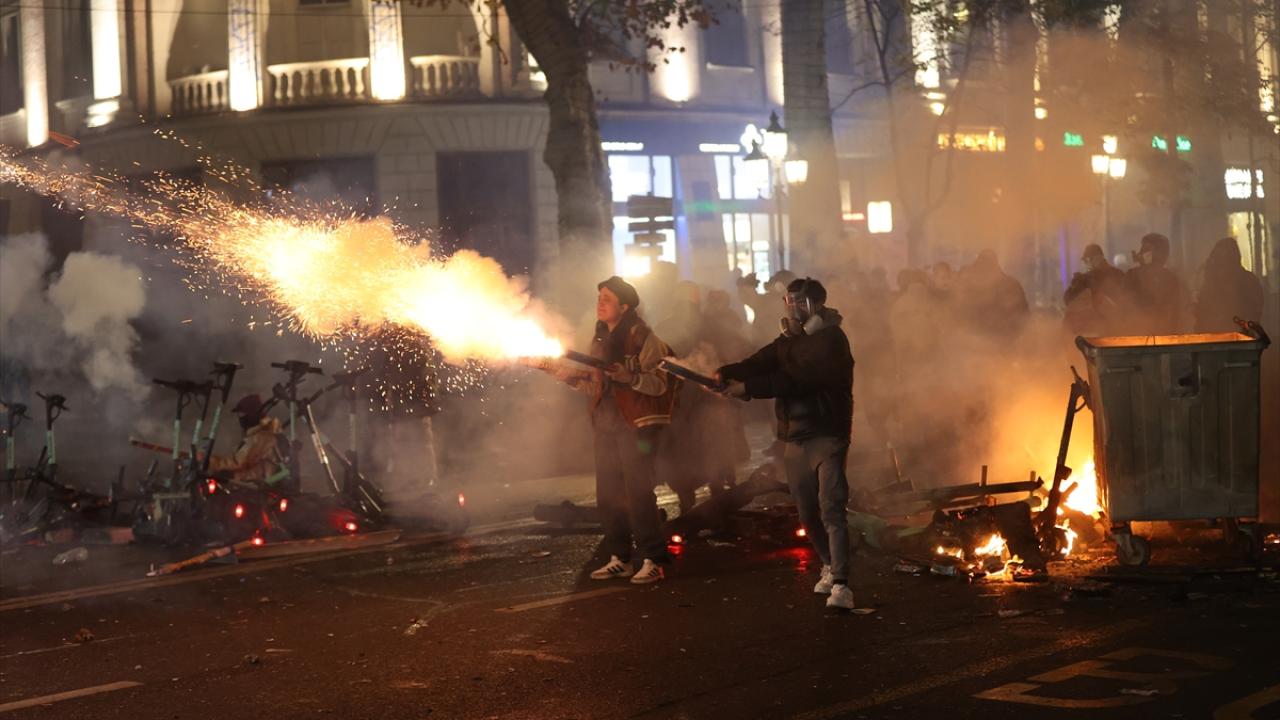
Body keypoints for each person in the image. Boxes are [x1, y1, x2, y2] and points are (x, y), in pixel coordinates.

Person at [716, 278, 856, 610]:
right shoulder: (787, 341)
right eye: (789, 301)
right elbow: (760, 361)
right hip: (795, 436)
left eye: (800, 302)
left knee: (831, 509)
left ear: (817, 305)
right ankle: (827, 564)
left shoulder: (832, 339)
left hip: (828, 434)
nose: (793, 308)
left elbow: (797, 380)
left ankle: (842, 584)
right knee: (807, 512)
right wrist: (726, 372)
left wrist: (746, 388)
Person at [552, 276, 677, 584]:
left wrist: (629, 378)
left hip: (635, 425)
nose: (600, 303)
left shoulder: (642, 336)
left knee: (637, 493)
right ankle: (619, 558)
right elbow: (595, 385)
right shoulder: (598, 339)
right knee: (608, 495)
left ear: (625, 306)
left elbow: (661, 382)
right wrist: (560, 373)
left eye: (607, 298)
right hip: (605, 425)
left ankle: (653, 559)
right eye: (598, 297)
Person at [208, 394, 285, 487]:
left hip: (258, 486)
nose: (240, 418)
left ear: (252, 414)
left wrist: (209, 461)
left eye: (242, 414)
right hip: (256, 481)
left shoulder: (260, 437)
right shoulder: (263, 433)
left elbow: (238, 462)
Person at [1193, 238, 1263, 333]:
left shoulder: (1249, 281)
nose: (1222, 263)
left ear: (1235, 258)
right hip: (1211, 339)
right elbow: (1202, 315)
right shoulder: (1211, 282)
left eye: (1227, 258)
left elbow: (1253, 314)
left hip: (1242, 341)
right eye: (1219, 259)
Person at [1124, 233, 1188, 334]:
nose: (1142, 252)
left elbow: (1178, 313)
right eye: (1143, 248)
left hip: (1163, 335)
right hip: (1137, 334)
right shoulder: (1132, 275)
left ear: (1159, 253)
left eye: (1147, 249)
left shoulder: (1171, 279)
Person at [1063, 244, 1127, 336]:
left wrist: (1075, 284)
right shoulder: (1119, 274)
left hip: (1098, 328)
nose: (1086, 263)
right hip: (1119, 327)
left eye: (1086, 260)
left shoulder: (1087, 278)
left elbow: (1068, 299)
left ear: (1094, 258)